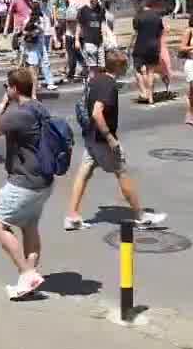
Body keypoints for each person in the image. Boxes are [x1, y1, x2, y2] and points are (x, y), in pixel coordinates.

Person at [65, 49, 167, 231]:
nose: (127, 68)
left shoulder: (95, 80)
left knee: (83, 173)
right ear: (118, 66)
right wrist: (110, 138)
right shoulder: (109, 85)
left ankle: (72, 215)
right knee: (122, 172)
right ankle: (141, 216)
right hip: (102, 139)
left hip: (90, 136)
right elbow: (97, 112)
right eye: (125, 65)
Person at [0, 67, 54, 300]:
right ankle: (29, 277)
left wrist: (2, 103)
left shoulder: (18, 113)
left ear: (13, 89)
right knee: (29, 225)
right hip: (43, 180)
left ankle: (26, 272)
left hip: (24, 181)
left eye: (8, 87)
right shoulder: (39, 108)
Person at [132, 0, 165, 106]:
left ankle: (144, 92)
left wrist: (129, 46)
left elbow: (135, 33)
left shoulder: (138, 17)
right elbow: (160, 34)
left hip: (140, 46)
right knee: (151, 72)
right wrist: (159, 48)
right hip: (154, 47)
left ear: (143, 4)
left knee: (138, 70)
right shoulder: (157, 17)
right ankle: (150, 97)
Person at [22, 2, 56, 93]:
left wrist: (36, 29)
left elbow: (42, 30)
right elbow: (24, 32)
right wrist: (31, 32)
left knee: (44, 62)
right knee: (33, 65)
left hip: (40, 44)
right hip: (32, 45)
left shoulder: (40, 19)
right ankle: (33, 84)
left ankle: (49, 82)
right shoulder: (28, 20)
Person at [76, 0, 106, 75]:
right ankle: (91, 84)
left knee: (102, 66)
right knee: (92, 66)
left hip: (99, 41)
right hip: (89, 41)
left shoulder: (100, 10)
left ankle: (97, 83)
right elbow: (78, 25)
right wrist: (76, 40)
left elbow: (103, 24)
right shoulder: (83, 10)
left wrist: (107, 36)